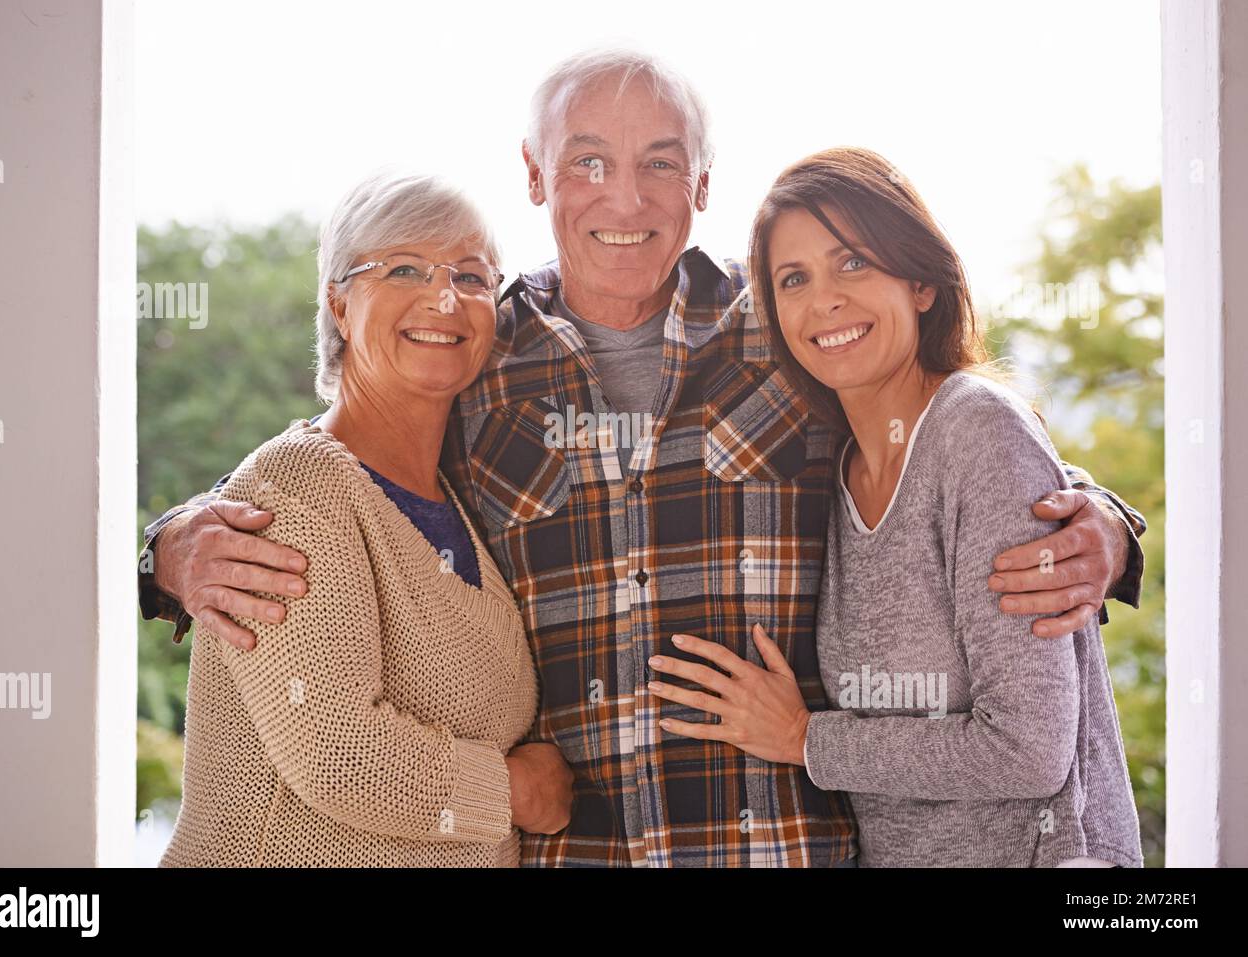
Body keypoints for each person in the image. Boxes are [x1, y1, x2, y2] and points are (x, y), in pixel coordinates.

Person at [141, 48, 1146, 867]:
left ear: (702, 183)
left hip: (780, 849)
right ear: (534, 174)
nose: (623, 195)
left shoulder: (787, 335)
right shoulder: (477, 353)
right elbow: (345, 474)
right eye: (587, 162)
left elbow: (946, 427)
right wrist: (169, 550)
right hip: (577, 852)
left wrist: (1099, 521)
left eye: (660, 162)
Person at [648, 147, 1144, 867]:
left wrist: (804, 738)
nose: (826, 299)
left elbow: (1027, 750)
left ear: (919, 280)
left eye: (853, 262)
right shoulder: (835, 463)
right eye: (795, 279)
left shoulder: (977, 431)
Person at [159, 169, 572, 867]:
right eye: (404, 269)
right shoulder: (299, 483)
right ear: (339, 304)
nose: (444, 297)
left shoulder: (458, 507)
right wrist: (516, 790)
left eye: (472, 277)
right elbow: (337, 754)